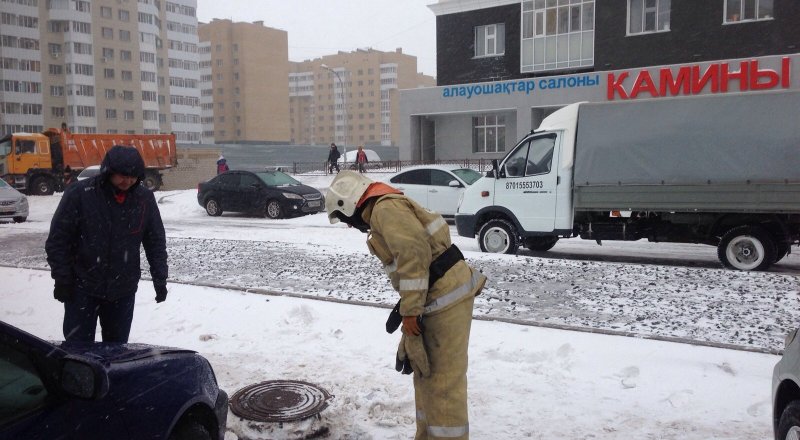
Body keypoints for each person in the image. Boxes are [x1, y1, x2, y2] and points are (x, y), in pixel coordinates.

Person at [325, 171, 486, 440]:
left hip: (446, 297)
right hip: (436, 294)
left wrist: (410, 313)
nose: (350, 226)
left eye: (344, 219)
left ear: (349, 204)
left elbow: (414, 255)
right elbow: (418, 260)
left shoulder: (385, 209)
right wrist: (408, 310)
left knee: (443, 382)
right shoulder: (383, 209)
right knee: (426, 374)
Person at [45, 145, 168, 343]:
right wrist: (62, 279)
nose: (127, 181)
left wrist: (160, 279)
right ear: (108, 171)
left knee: (116, 353)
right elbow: (58, 241)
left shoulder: (144, 199)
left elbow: (155, 242)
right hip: (82, 289)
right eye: (122, 175)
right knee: (78, 354)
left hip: (123, 292)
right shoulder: (80, 194)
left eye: (133, 176)